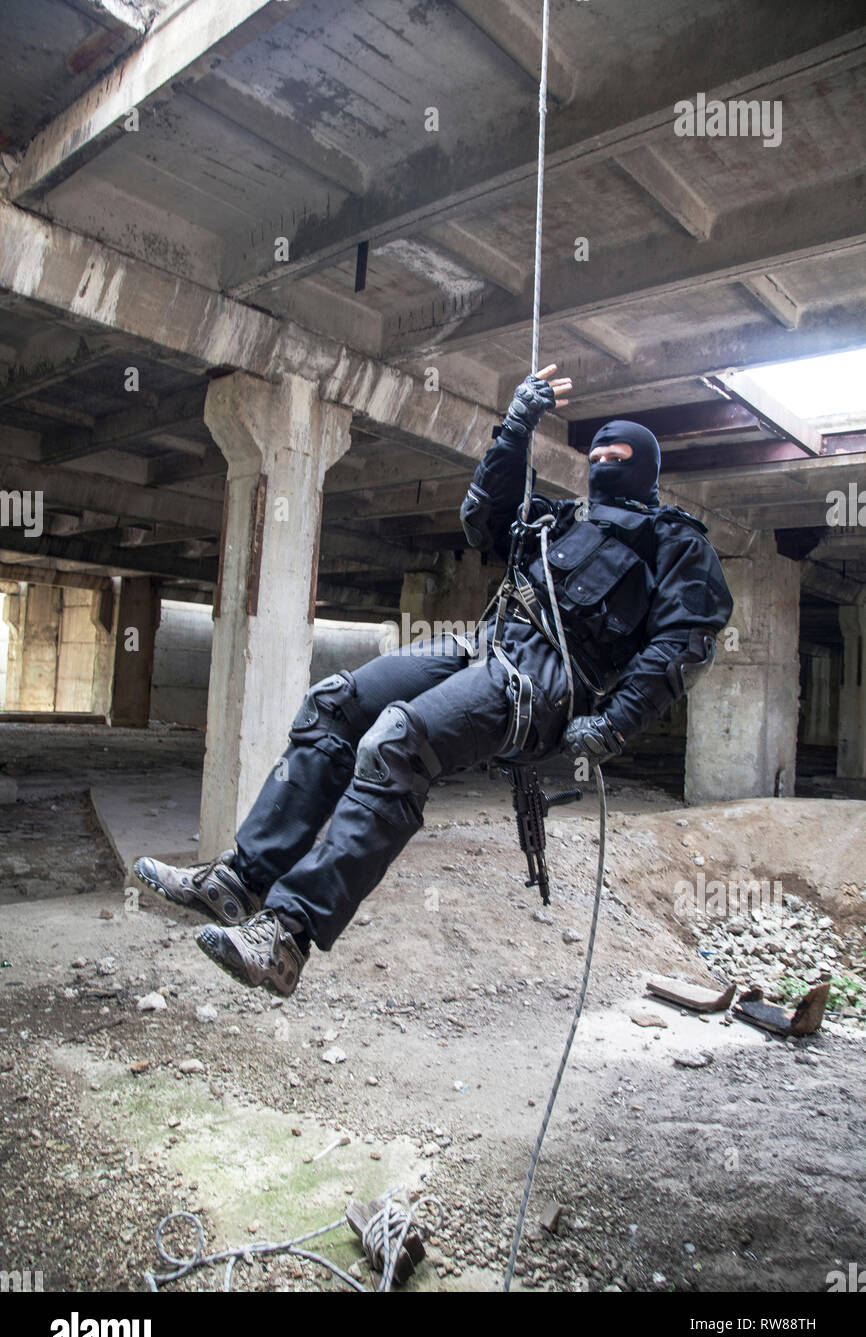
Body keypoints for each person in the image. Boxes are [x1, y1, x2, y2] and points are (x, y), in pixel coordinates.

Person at [134, 366, 733, 997]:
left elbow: (684, 643)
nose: (605, 461)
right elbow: (483, 519)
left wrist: (614, 723)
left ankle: (285, 937)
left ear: (648, 468)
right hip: (487, 642)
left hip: (547, 681)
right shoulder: (559, 519)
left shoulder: (675, 540)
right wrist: (516, 428)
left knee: (396, 743)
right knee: (335, 702)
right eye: (598, 452)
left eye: (621, 455)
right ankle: (239, 882)